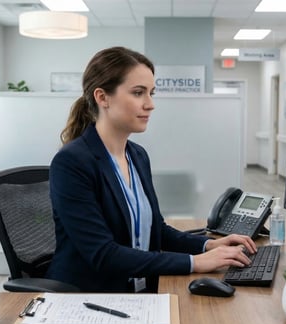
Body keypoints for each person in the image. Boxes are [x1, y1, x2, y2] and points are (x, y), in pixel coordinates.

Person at [45, 46, 256, 293]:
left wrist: (208, 245)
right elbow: (102, 254)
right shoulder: (72, 162)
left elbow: (157, 231)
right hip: (88, 297)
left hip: (138, 290)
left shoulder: (136, 155)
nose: (150, 104)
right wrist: (194, 263)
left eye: (151, 93)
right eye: (138, 93)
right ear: (102, 97)